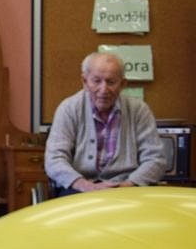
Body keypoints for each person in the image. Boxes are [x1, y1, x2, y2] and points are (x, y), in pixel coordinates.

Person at [45, 51, 165, 195]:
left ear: (123, 84)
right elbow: (54, 159)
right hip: (80, 188)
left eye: (111, 82)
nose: (103, 89)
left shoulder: (139, 110)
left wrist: (128, 185)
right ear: (85, 82)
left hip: (127, 187)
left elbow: (155, 159)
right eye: (96, 81)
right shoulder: (68, 108)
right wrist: (85, 185)